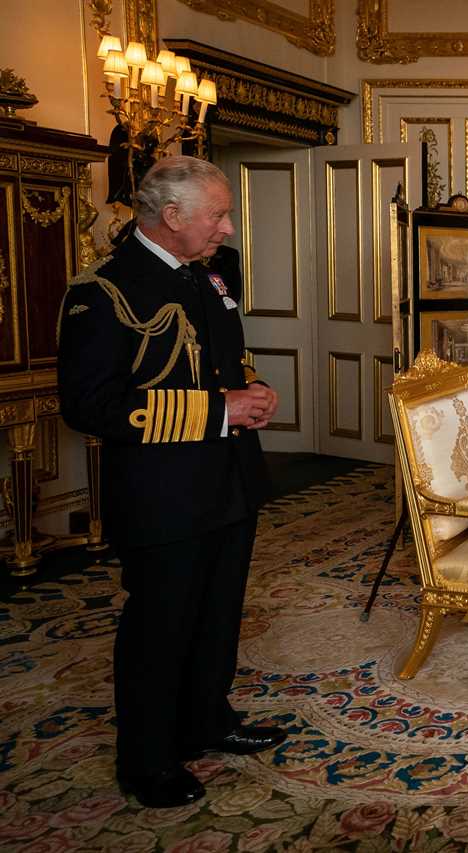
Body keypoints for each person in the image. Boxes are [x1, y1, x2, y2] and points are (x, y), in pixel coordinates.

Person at [58, 156, 285, 808]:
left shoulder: (209, 276)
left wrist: (252, 393)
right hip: (162, 493)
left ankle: (206, 719)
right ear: (172, 216)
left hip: (230, 478)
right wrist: (220, 408)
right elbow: (89, 404)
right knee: (160, 626)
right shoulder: (103, 290)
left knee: (218, 613)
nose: (228, 226)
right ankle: (147, 758)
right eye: (218, 214)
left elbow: (220, 359)